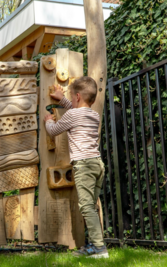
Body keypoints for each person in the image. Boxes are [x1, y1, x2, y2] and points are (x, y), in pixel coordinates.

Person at [44, 76, 108, 259]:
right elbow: (75, 110)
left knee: (87, 207)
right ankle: (95, 245)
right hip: (97, 164)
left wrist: (49, 120)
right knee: (92, 207)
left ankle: (99, 248)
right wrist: (62, 98)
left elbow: (54, 130)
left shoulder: (72, 115)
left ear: (78, 97)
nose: (70, 101)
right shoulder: (93, 115)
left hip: (84, 165)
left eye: (72, 97)